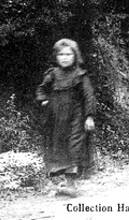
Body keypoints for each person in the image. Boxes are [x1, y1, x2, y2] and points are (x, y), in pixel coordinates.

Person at [36, 39, 96, 197]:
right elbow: (42, 89)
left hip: (76, 116)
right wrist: (44, 100)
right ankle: (67, 181)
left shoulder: (80, 75)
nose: (65, 57)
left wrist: (89, 117)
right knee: (60, 146)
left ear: (75, 56)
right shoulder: (52, 74)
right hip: (57, 117)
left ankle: (71, 183)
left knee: (74, 146)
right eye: (61, 54)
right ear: (56, 56)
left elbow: (89, 97)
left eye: (69, 54)